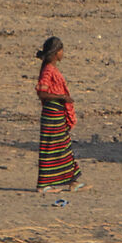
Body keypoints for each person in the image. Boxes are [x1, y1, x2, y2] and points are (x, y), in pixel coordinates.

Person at [34, 36, 79, 193]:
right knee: (51, 147)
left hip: (56, 112)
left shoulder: (52, 69)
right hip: (52, 112)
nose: (63, 53)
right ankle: (43, 185)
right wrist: (62, 97)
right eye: (61, 50)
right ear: (55, 53)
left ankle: (72, 181)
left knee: (63, 146)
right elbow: (42, 92)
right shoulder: (48, 70)